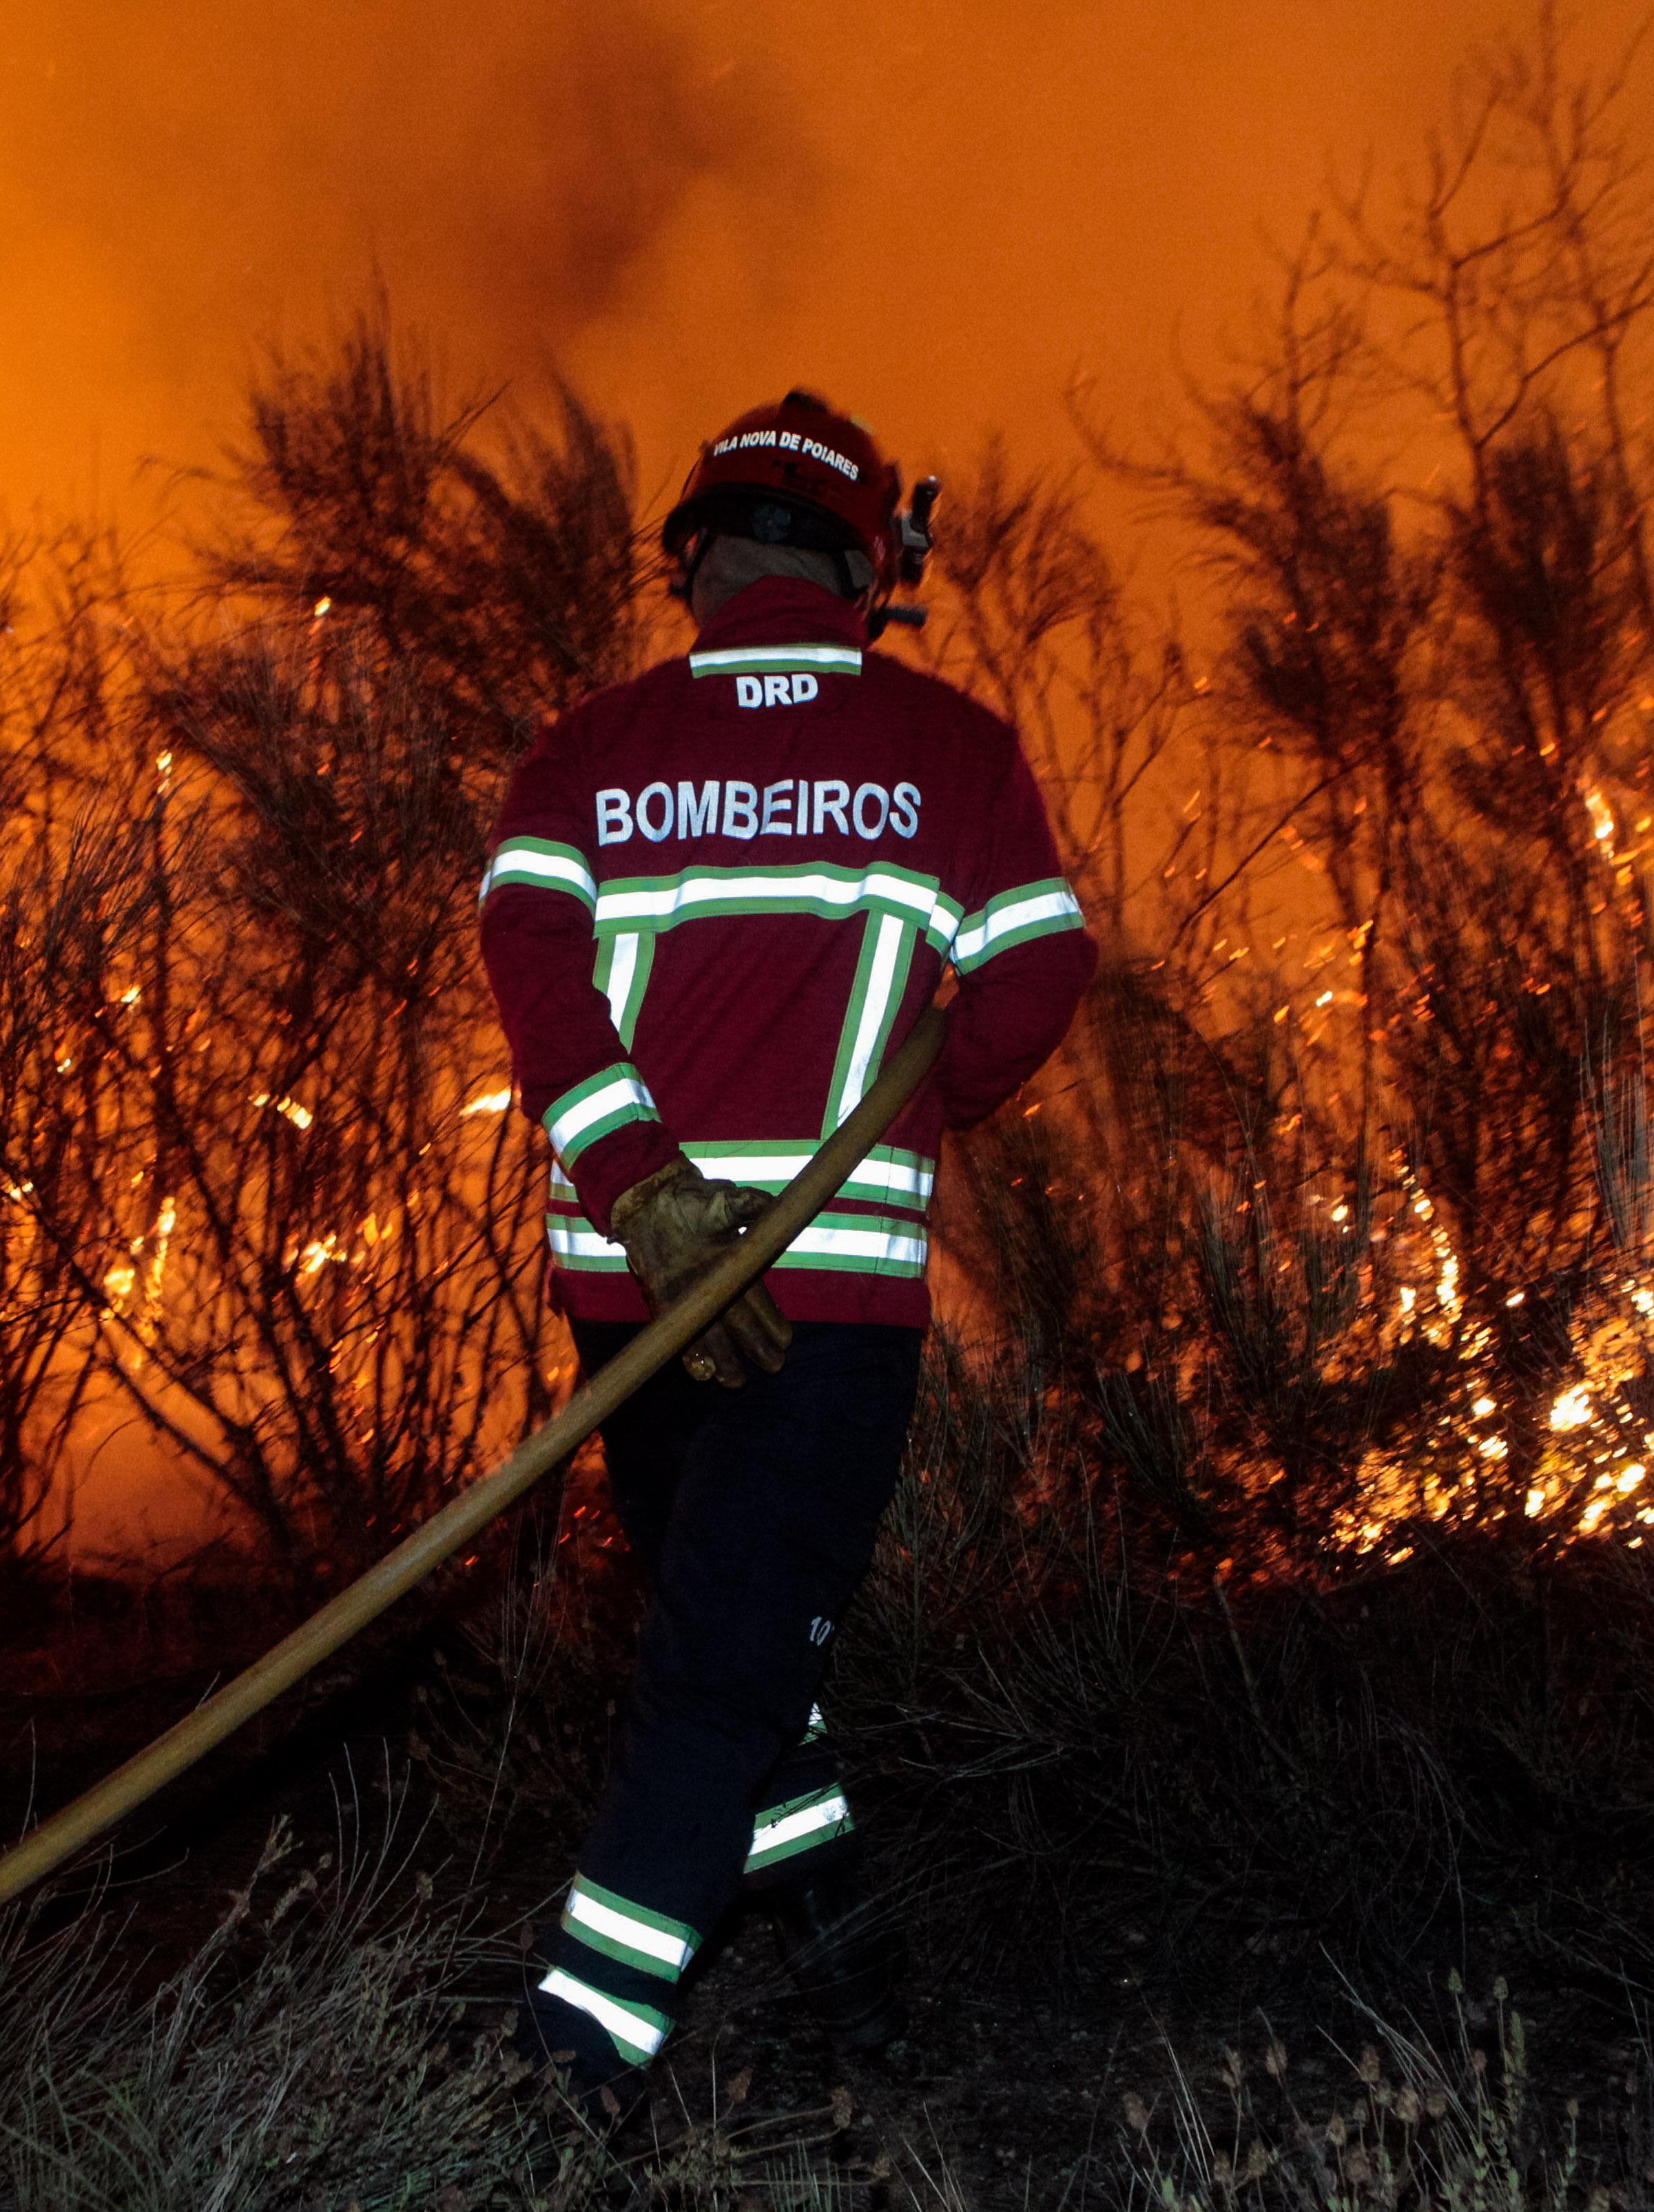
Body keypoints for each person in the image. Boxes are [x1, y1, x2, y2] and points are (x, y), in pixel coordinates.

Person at [476, 390, 1098, 2113]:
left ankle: (841, 1945)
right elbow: (1041, 968)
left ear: (701, 559)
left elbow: (523, 957)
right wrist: (933, 1089)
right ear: (860, 561)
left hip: (635, 1300)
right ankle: (565, 2076)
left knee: (730, 1638)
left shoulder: (582, 750)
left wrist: (640, 1185)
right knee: (725, 1664)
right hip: (822, 1309)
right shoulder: (948, 747)